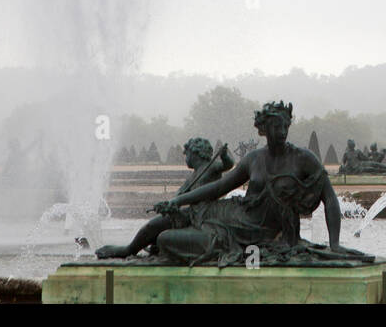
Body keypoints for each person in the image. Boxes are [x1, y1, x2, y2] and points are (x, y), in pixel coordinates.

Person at [151, 100, 355, 265]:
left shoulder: (304, 159)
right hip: (231, 217)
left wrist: (334, 244)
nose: (282, 132)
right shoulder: (253, 159)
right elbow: (218, 188)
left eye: (285, 126)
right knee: (165, 220)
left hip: (257, 236)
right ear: (264, 129)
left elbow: (329, 198)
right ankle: (128, 249)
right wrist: (178, 201)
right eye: (276, 127)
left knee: (165, 238)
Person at [95, 137, 233, 259]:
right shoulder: (192, 176)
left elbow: (228, 165)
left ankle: (129, 250)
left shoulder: (211, 166)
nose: (185, 158)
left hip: (205, 215)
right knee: (153, 224)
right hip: (191, 214)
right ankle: (130, 249)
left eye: (187, 155)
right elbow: (179, 195)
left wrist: (225, 155)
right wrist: (167, 205)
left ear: (196, 153)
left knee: (157, 227)